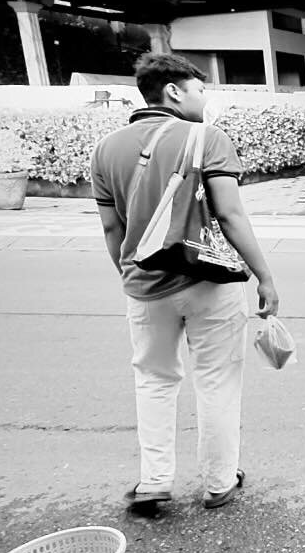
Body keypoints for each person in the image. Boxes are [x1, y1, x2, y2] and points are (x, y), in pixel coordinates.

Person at [92, 53, 279, 513]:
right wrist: (265, 277)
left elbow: (113, 231)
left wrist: (132, 278)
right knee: (216, 380)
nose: (205, 99)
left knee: (153, 380)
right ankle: (218, 483)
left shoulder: (105, 149)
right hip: (208, 281)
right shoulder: (206, 138)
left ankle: (154, 480)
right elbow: (231, 215)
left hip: (144, 285)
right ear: (174, 91)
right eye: (200, 90)